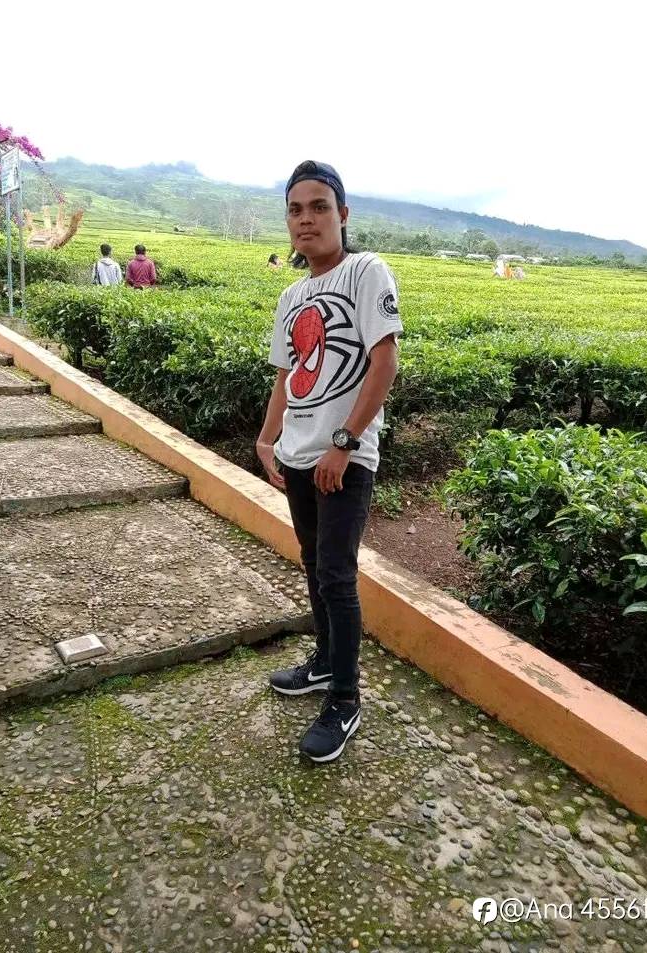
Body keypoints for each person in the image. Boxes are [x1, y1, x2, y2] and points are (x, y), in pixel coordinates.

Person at [257, 160, 403, 764]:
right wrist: (266, 439)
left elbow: (384, 362)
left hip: (344, 456)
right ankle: (323, 663)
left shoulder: (366, 271)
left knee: (338, 575)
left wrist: (343, 443)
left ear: (343, 214)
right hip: (296, 456)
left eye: (319, 207)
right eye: (295, 210)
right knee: (315, 564)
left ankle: (345, 699)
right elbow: (286, 377)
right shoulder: (292, 296)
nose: (306, 219)